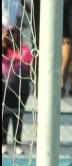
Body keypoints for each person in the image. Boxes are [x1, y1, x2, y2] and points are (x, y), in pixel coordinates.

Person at [1, 27, 31, 156]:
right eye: (11, 35)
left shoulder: (25, 50)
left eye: (17, 35)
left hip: (22, 89)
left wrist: (15, 58)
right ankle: (3, 144)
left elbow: (27, 61)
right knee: (5, 117)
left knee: (18, 117)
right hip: (6, 89)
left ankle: (17, 144)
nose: (14, 38)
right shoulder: (4, 50)